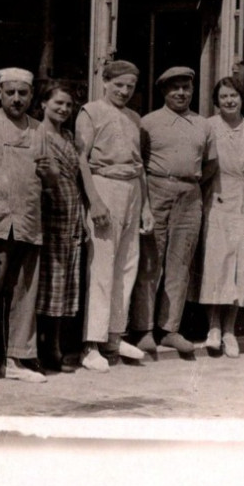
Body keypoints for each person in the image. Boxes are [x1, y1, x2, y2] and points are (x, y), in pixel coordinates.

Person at [0, 67, 57, 387]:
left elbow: (50, 179)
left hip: (28, 223)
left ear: (32, 96)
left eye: (24, 93)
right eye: (11, 93)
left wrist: (49, 173)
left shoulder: (39, 129)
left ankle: (15, 360)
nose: (17, 99)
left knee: (23, 295)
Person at [129, 66, 216, 356]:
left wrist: (189, 183)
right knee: (151, 263)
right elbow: (138, 162)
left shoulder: (203, 125)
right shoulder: (148, 123)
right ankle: (143, 330)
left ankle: (170, 330)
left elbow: (211, 164)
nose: (181, 93)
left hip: (190, 194)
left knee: (181, 264)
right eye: (174, 88)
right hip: (155, 190)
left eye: (186, 88)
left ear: (192, 90)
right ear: (164, 91)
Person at [75, 59, 154, 372]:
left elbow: (139, 165)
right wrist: (94, 200)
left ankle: (113, 336)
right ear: (105, 82)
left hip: (132, 189)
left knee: (127, 264)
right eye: (118, 84)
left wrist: (146, 206)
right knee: (102, 265)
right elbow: (81, 158)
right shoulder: (90, 111)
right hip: (104, 185)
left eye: (130, 87)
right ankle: (90, 344)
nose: (124, 91)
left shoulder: (135, 118)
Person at [194, 77, 244, 358]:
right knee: (216, 264)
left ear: (242, 99)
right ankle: (213, 329)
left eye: (234, 96)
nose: (229, 101)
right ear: (217, 101)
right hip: (216, 198)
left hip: (243, 200)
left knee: (240, 265)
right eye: (224, 96)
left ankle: (230, 331)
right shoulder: (209, 126)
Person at [34, 80, 83, 372]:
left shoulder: (69, 137)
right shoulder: (36, 134)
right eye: (58, 104)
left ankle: (54, 344)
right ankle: (41, 346)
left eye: (68, 105)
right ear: (43, 104)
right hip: (47, 213)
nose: (64, 109)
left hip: (70, 215)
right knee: (45, 283)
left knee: (63, 284)